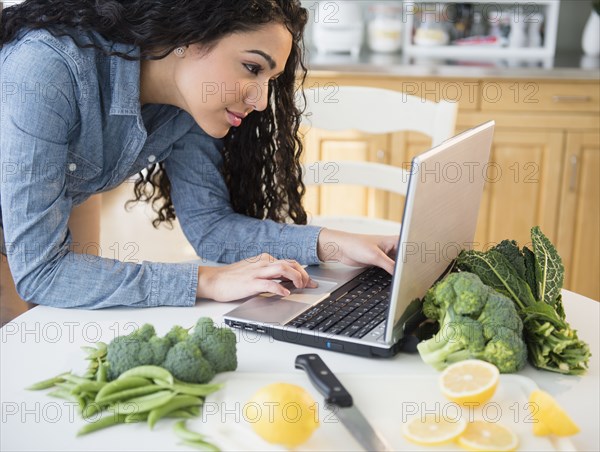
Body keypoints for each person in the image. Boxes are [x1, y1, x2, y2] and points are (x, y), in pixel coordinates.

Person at [0, 0, 397, 310]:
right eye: (251, 67)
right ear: (190, 36)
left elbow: (210, 227)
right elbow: (41, 273)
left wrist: (334, 242)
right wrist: (205, 282)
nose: (261, 101)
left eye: (269, 80)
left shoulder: (190, 104)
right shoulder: (45, 69)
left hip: (60, 204)